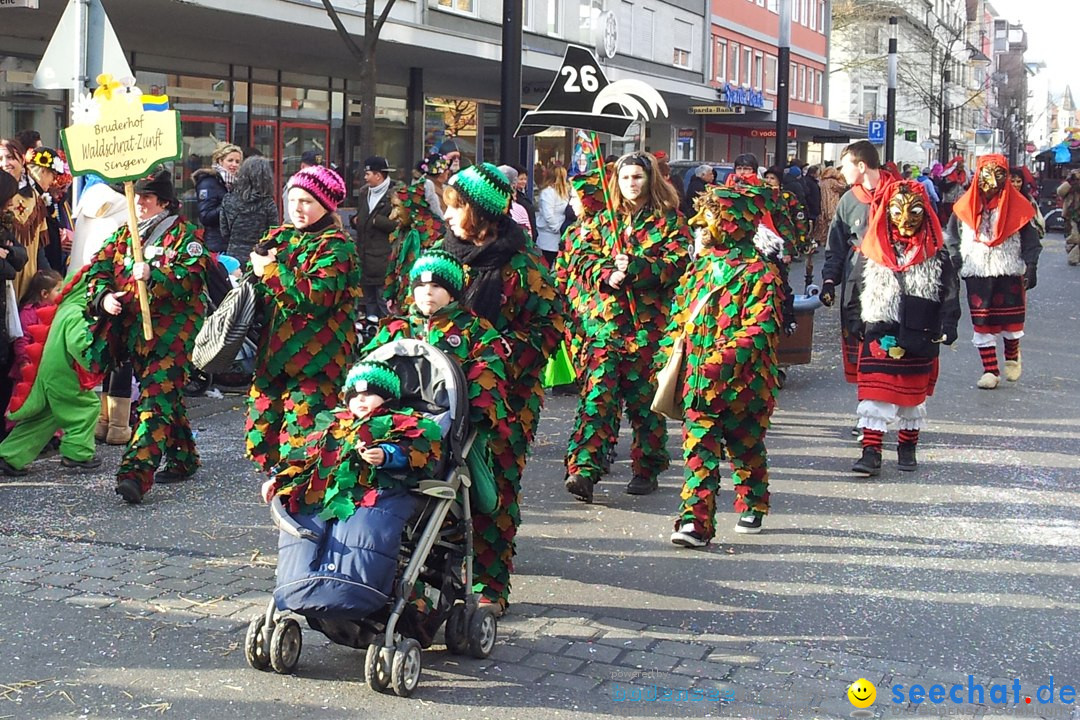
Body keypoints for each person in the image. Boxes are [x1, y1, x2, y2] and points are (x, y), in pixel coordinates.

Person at [440, 162, 566, 613]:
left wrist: (499, 353)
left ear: (480, 212)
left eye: (456, 208)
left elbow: (551, 325)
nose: (448, 217)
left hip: (505, 396)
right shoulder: (445, 254)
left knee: (494, 486)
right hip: (444, 390)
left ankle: (491, 586)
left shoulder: (522, 262)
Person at [563, 151, 690, 503]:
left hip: (648, 326)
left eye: (637, 177)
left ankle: (647, 466)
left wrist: (639, 268)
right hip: (605, 324)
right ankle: (584, 469)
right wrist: (608, 274)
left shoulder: (668, 220)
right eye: (625, 178)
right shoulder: (603, 220)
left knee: (643, 400)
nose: (631, 184)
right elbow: (581, 258)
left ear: (650, 179)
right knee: (598, 394)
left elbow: (678, 263)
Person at [665, 183, 784, 546]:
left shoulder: (761, 273)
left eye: (712, 214)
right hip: (698, 384)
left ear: (732, 221)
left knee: (746, 448)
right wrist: (668, 356)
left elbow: (761, 327)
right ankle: (695, 523)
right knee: (698, 451)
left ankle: (753, 500)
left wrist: (722, 359)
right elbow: (679, 316)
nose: (700, 222)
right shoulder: (699, 269)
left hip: (743, 386)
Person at [86, 169, 214, 504]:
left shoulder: (186, 236)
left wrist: (155, 273)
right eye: (136, 196)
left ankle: (135, 474)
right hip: (135, 333)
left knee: (156, 400)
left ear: (165, 202)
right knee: (164, 396)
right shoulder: (124, 234)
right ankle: (184, 457)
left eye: (146, 197)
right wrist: (104, 297)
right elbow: (98, 268)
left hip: (173, 333)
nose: (139, 203)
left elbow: (192, 278)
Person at [246, 165, 362, 477]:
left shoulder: (337, 246)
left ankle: (301, 507)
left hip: (316, 363)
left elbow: (315, 298)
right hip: (273, 359)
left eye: (307, 201)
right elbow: (254, 289)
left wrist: (269, 271)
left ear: (326, 204)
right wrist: (253, 267)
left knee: (302, 446)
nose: (297, 208)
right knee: (260, 440)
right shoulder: (279, 237)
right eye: (292, 199)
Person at [845, 180, 960, 477]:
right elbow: (857, 283)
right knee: (875, 391)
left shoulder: (938, 251)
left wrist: (949, 322)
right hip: (880, 324)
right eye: (897, 212)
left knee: (911, 394)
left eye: (914, 212)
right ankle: (871, 452)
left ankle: (907, 446)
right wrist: (854, 317)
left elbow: (949, 288)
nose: (905, 220)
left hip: (921, 326)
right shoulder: (872, 248)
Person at [366, 249, 511, 467]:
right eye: (421, 286)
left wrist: (469, 410)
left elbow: (489, 368)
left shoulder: (473, 329)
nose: (428, 292)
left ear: (452, 294)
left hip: (450, 422)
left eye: (436, 286)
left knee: (485, 495)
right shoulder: (396, 329)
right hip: (393, 416)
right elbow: (368, 367)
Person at [261, 359, 443, 520]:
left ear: (387, 397)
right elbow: (306, 456)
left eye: (370, 394)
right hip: (328, 493)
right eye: (354, 395)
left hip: (372, 494)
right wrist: (279, 478)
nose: (361, 399)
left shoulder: (401, 421)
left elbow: (413, 447)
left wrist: (387, 454)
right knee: (300, 521)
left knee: (359, 533)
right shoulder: (333, 424)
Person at [943, 154, 1039, 390]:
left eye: (999, 175)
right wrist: (955, 259)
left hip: (1008, 269)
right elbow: (952, 237)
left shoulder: (1019, 207)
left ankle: (1012, 356)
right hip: (977, 269)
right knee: (983, 321)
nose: (993, 182)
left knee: (1011, 321)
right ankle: (990, 370)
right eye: (988, 174)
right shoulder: (964, 207)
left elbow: (1030, 239)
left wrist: (1032, 265)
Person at [0, 266, 105, 476]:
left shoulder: (65, 308)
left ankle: (9, 455)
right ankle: (77, 453)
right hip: (62, 373)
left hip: (48, 371)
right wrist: (97, 358)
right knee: (86, 407)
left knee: (46, 416)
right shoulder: (75, 311)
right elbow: (78, 344)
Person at [821, 141, 894, 396]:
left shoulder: (898, 194)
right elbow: (836, 244)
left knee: (887, 340)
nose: (841, 171)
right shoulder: (848, 200)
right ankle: (867, 407)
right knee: (859, 337)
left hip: (892, 278)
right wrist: (829, 280)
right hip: (856, 278)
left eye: (845, 165)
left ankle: (887, 401)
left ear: (861, 166)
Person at [382, 179, 446, 314]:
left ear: (411, 208)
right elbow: (393, 269)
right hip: (403, 308)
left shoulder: (439, 238)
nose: (392, 216)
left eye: (396, 207)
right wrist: (390, 295)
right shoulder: (402, 233)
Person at [0, 173, 30, 438]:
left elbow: (20, 258)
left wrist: (6, 254)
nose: (11, 204)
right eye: (7, 199)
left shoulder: (4, 226)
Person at [352, 156, 399, 320]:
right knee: (368, 301)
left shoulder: (396, 193)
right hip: (364, 256)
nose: (365, 178)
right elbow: (361, 215)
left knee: (382, 301)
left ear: (379, 175)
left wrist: (377, 221)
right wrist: (355, 220)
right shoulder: (365, 192)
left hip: (383, 258)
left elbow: (401, 224)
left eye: (368, 174)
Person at [1, 138, 48, 300]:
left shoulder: (35, 198)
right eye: (0, 159)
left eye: (10, 157)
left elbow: (40, 248)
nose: (5, 163)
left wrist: (46, 277)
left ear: (22, 160)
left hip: (28, 278)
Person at [220, 156, 279, 261]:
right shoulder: (268, 203)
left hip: (233, 255)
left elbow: (224, 232)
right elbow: (274, 234)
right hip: (259, 256)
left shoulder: (228, 198)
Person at [24, 147, 72, 273]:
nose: (53, 181)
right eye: (53, 175)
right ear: (43, 171)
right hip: (34, 271)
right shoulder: (29, 196)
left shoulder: (43, 197)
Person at [10, 268, 63, 381]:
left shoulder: (58, 311)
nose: (62, 293)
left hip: (50, 368)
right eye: (58, 290)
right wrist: (24, 362)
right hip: (30, 368)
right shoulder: (29, 312)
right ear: (44, 293)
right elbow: (22, 339)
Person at [193, 143, 242, 253]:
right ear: (220, 161)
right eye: (230, 160)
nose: (234, 164)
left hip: (235, 244)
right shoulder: (208, 183)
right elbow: (205, 216)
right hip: (217, 244)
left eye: (237, 161)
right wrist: (230, 205)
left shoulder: (237, 183)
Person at [536, 165, 571, 265]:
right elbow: (549, 216)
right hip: (548, 238)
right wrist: (559, 229)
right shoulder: (548, 192)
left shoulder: (564, 192)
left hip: (559, 237)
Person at [497, 165, 534, 238]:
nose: (524, 181)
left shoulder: (522, 202)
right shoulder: (519, 208)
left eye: (525, 179)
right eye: (521, 179)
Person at [1058, 169, 1080, 265]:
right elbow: (1060, 191)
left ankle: (1074, 255)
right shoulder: (1071, 182)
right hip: (1072, 214)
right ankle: (1073, 255)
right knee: (1073, 237)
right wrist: (1072, 180)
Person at [418, 152, 450, 218]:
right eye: (446, 170)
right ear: (441, 173)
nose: (448, 172)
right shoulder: (426, 189)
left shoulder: (445, 188)